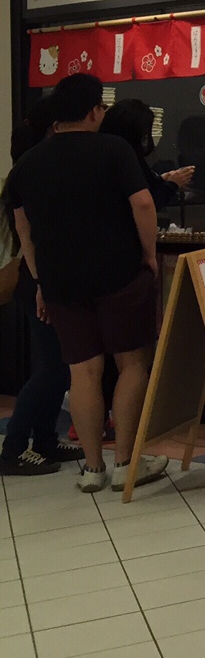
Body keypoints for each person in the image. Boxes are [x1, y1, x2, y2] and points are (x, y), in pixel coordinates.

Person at [10, 74, 168, 493]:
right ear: (95, 110)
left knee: (83, 373)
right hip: (119, 275)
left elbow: (23, 227)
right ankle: (127, 464)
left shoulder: (30, 162)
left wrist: (42, 277)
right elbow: (143, 201)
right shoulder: (113, 149)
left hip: (62, 283)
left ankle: (93, 469)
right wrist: (149, 254)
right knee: (130, 364)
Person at [0, 99, 79, 477]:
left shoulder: (30, 171)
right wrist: (42, 284)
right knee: (51, 368)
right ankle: (13, 448)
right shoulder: (31, 175)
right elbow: (28, 239)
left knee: (58, 367)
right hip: (37, 282)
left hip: (41, 280)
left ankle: (45, 441)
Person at [102, 98, 193, 209]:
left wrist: (162, 180)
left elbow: (143, 186)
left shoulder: (110, 154)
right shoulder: (123, 160)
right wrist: (172, 185)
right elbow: (145, 205)